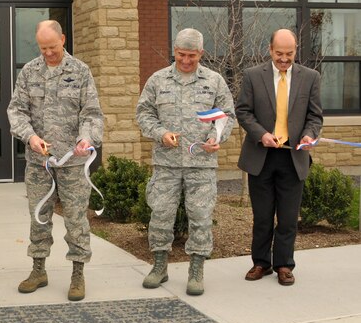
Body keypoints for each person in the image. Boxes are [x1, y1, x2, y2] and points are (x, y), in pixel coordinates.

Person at [7, 19, 103, 302]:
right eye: (42, 48)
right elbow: (17, 111)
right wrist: (30, 137)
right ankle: (38, 270)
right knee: (38, 217)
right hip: (40, 163)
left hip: (73, 163)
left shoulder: (80, 71)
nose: (48, 53)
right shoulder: (29, 72)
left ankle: (77, 273)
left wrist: (87, 139)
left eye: (52, 47)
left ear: (63, 39)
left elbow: (92, 114)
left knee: (75, 220)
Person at [135, 28, 234, 296]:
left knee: (200, 217)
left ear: (201, 53)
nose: (186, 61)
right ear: (174, 51)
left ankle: (196, 270)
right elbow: (144, 113)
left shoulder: (214, 82)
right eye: (181, 55)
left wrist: (217, 136)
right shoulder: (158, 80)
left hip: (201, 163)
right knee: (161, 213)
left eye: (191, 55)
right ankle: (159, 266)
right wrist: (160, 133)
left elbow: (227, 116)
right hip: (166, 163)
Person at [236, 28, 322, 286]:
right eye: (279, 53)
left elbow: (315, 116)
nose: (284, 59)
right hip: (261, 156)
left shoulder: (310, 77)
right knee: (262, 216)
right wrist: (261, 134)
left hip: (293, 157)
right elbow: (243, 112)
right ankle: (261, 263)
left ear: (296, 51)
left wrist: (309, 135)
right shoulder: (253, 76)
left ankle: (284, 264)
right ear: (269, 49)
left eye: (290, 54)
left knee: (287, 217)